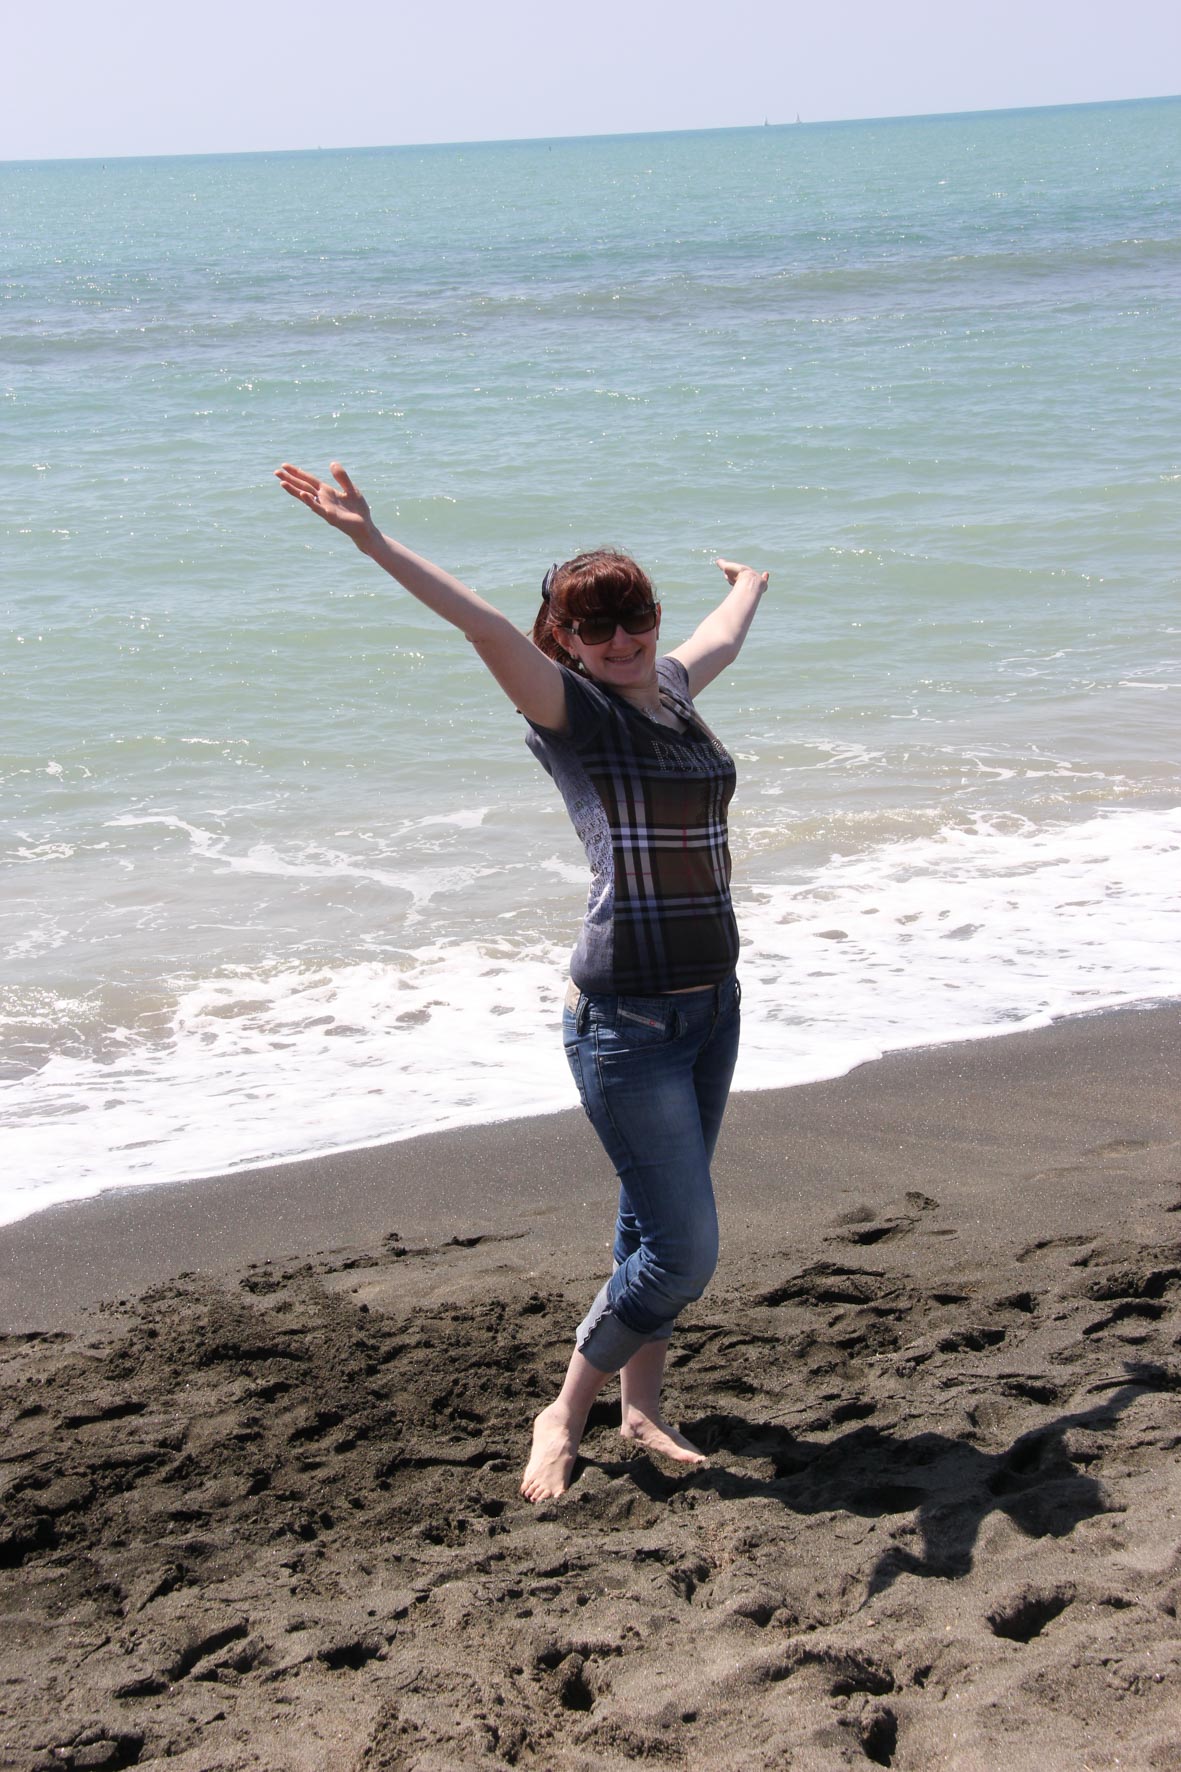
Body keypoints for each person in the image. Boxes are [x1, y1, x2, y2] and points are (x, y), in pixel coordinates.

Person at [275, 461, 769, 1502]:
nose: (622, 640)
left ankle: (642, 1406)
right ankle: (565, 1407)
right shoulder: (573, 711)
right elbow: (482, 625)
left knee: (650, 1223)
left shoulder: (672, 691)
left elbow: (718, 641)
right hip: (625, 1020)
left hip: (710, 1005)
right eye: (596, 629)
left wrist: (749, 584)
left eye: (635, 618)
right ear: (567, 642)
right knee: (683, 1252)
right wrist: (370, 538)